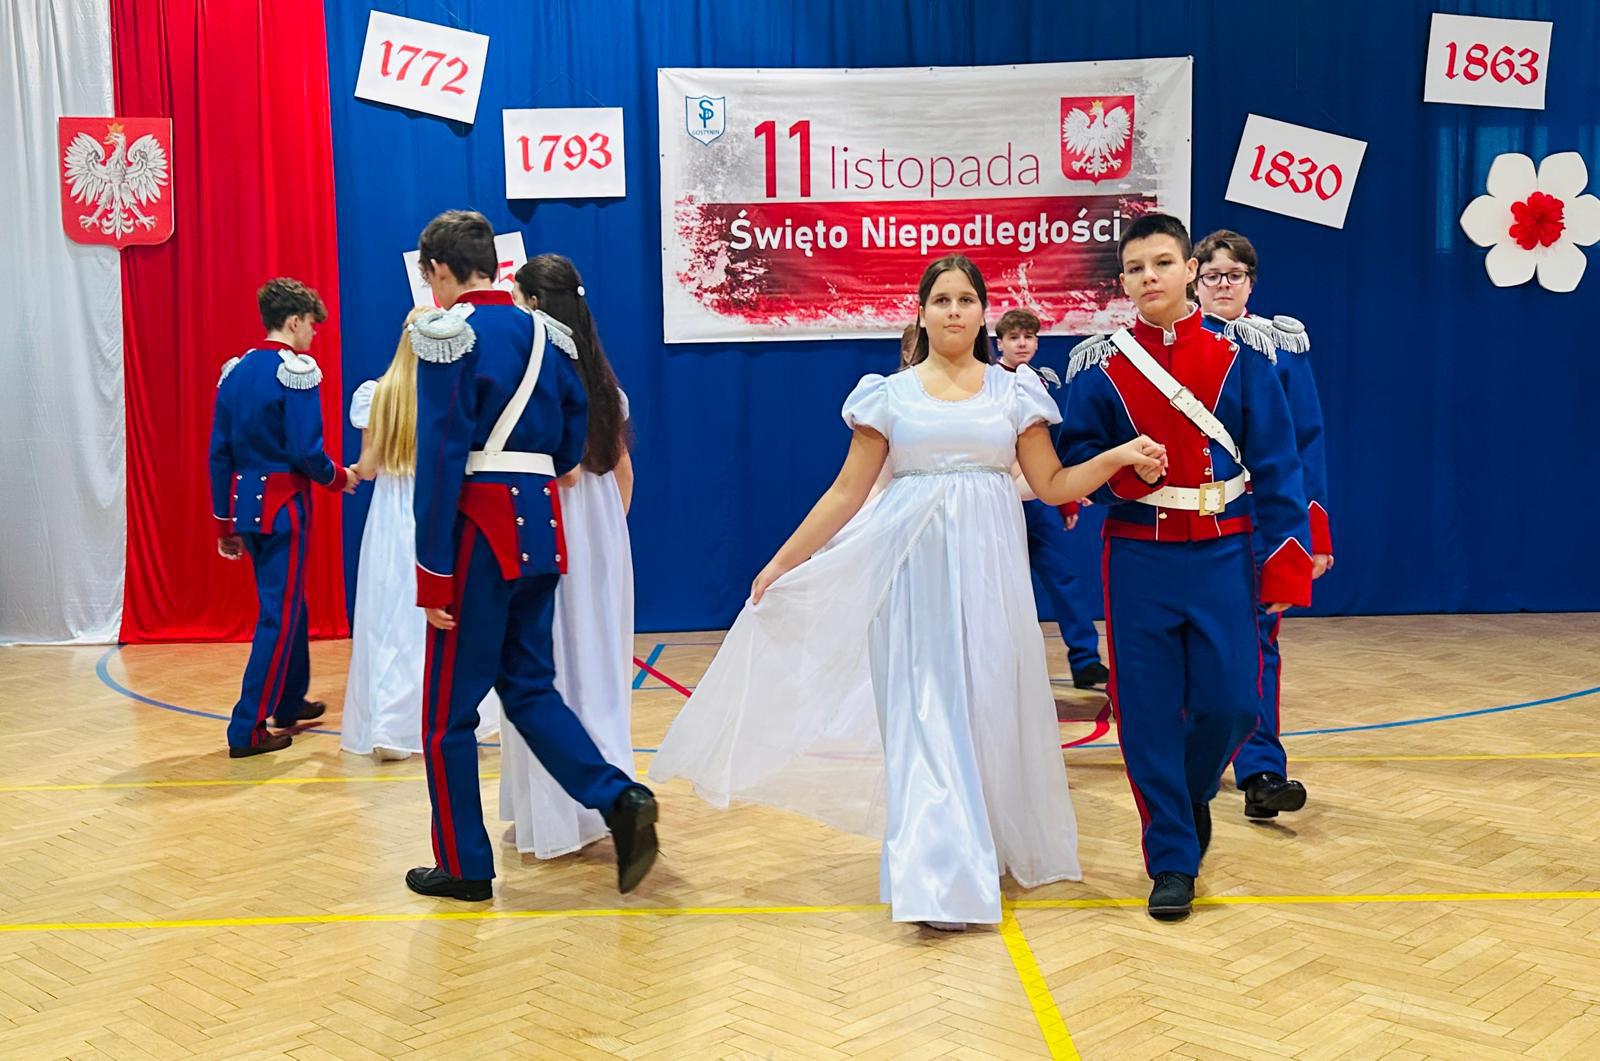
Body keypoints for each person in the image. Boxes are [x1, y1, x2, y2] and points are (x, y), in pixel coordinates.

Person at [650, 254, 1166, 931]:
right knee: (926, 713)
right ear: (920, 312)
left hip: (991, 577)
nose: (954, 311)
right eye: (941, 299)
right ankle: (939, 877)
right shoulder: (887, 396)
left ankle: (980, 846)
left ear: (983, 312)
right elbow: (846, 493)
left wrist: (1116, 457)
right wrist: (780, 563)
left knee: (985, 708)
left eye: (965, 300)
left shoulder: (1015, 395)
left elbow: (1052, 485)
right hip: (910, 578)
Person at [1058, 214, 1312, 920]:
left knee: (1235, 704)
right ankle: (1171, 857)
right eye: (1136, 267)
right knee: (1144, 712)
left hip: (1226, 549)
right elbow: (1077, 463)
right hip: (1138, 554)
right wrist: (1123, 470)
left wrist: (1284, 562)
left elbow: (1279, 463)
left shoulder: (1243, 356)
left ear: (1190, 270)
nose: (1150, 277)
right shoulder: (1100, 366)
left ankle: (1190, 795)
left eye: (1163, 263)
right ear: (1123, 280)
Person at [404, 210, 657, 902]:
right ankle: (618, 797)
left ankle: (463, 863)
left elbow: (440, 459)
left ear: (440, 270)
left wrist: (431, 573)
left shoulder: (448, 336)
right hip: (539, 531)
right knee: (528, 687)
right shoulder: (548, 335)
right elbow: (572, 442)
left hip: (477, 535)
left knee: (448, 713)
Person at [498, 254, 638, 859]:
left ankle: (561, 813)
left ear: (534, 304)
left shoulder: (540, 380)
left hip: (553, 524)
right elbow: (622, 472)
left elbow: (567, 472)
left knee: (548, 664)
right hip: (601, 533)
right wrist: (608, 536)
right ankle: (608, 796)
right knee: (599, 665)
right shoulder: (603, 383)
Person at [1194, 229, 1334, 821]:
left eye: (1235, 275)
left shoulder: (1280, 345)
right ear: (1195, 282)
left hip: (1261, 516)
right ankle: (1196, 763)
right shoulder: (1167, 348)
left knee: (1259, 643)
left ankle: (1260, 772)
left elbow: (1306, 441)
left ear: (1251, 282)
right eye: (1212, 276)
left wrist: (1311, 536)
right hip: (1193, 518)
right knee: (1193, 645)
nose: (1223, 285)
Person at [340, 311, 499, 763]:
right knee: (435, 616)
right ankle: (441, 716)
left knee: (388, 614)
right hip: (438, 507)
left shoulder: (376, 394)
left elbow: (369, 466)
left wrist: (350, 474)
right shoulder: (450, 392)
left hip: (389, 514)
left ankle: (388, 726)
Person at [209, 277, 357, 758]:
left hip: (248, 508)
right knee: (279, 613)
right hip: (284, 509)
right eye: (311, 323)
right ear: (293, 321)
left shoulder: (235, 372)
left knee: (290, 604)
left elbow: (219, 454)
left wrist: (224, 523)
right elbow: (305, 451)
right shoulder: (296, 371)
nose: (314, 333)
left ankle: (289, 700)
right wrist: (339, 477)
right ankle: (246, 727)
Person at [992, 308, 1108, 690]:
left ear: (1038, 342)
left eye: (1028, 337)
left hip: (1037, 499)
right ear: (999, 344)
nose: (1022, 343)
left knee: (1063, 576)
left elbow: (1052, 448)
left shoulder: (1044, 383)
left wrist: (1066, 498)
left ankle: (1086, 661)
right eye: (1013, 337)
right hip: (996, 499)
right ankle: (998, 667)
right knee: (995, 586)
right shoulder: (986, 381)